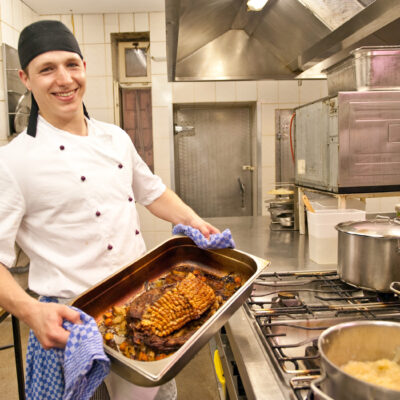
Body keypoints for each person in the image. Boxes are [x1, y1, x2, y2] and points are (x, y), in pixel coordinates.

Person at [0, 20, 220, 400]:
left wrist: (194, 221)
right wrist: (28, 311)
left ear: (84, 67)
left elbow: (153, 193)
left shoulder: (116, 138)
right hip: (73, 322)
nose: (64, 79)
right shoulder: (12, 162)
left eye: (72, 64)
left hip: (143, 304)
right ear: (25, 78)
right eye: (46, 69)